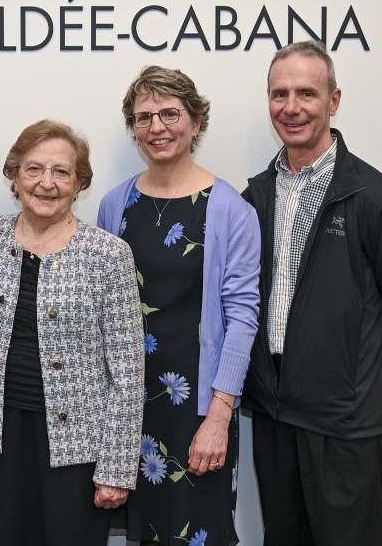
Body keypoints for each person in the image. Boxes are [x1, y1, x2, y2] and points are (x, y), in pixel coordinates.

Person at [242, 40, 382, 546]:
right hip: (273, 415)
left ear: (334, 101)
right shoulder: (254, 198)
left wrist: (363, 377)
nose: (291, 107)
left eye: (306, 93)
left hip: (344, 425)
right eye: (279, 93)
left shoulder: (380, 202)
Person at [0, 120, 145, 546]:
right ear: (15, 175)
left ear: (79, 184)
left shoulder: (108, 255)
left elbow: (128, 374)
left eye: (61, 172)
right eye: (34, 168)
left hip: (77, 448)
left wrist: (115, 467)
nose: (46, 183)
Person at [97, 66, 260, 546]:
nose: (157, 127)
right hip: (130, 404)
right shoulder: (115, 205)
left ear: (195, 121)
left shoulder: (230, 209)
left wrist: (219, 416)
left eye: (170, 113)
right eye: (144, 116)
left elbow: (242, 317)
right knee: (143, 531)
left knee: (198, 532)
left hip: (198, 408)